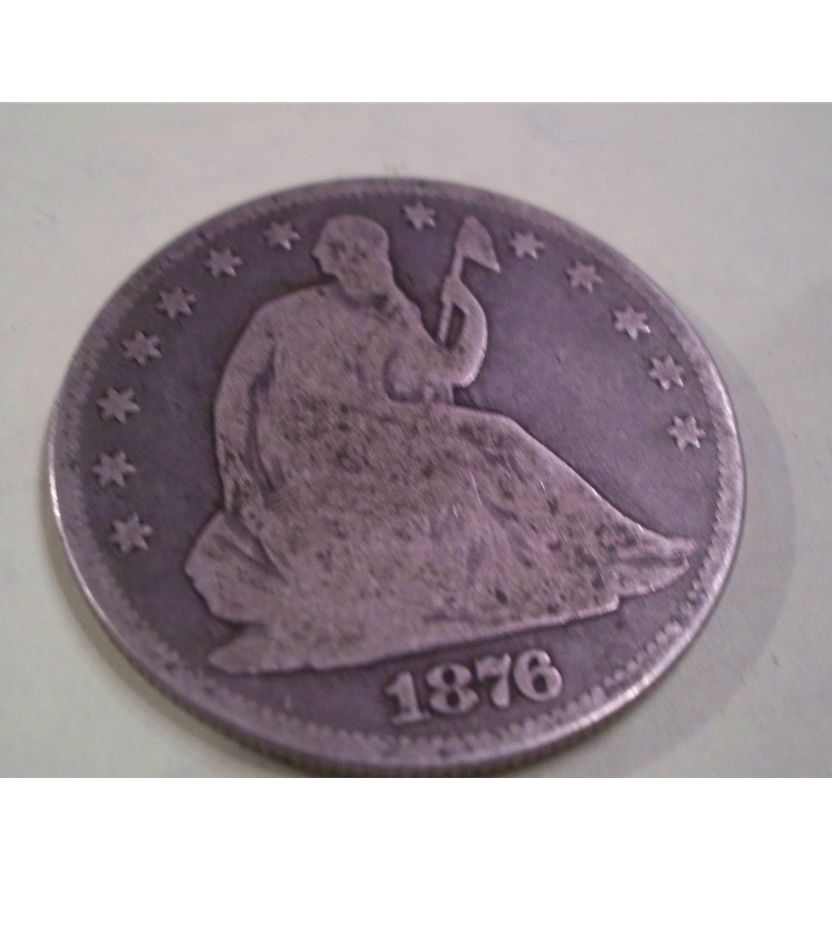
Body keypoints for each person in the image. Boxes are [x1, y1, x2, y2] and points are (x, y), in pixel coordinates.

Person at [186, 215, 693, 674]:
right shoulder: (282, 316)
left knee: (497, 435)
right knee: (487, 438)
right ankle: (614, 550)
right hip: (308, 449)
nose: (372, 267)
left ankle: (614, 548)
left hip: (379, 435)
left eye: (376, 257)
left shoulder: (392, 312)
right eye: (358, 257)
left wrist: (468, 309)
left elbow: (453, 371)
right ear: (332, 260)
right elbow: (235, 393)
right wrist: (239, 472)